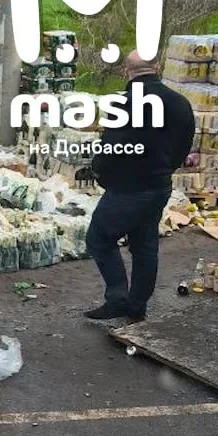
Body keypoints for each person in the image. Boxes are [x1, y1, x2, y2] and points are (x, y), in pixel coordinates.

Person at [85, 50, 195, 322]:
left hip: (128, 188)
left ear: (127, 71)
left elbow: (111, 147)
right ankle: (137, 307)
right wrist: (167, 168)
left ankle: (118, 299)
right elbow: (185, 143)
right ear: (158, 66)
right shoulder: (180, 103)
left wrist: (98, 170)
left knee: (99, 238)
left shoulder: (125, 104)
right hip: (159, 186)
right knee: (145, 247)